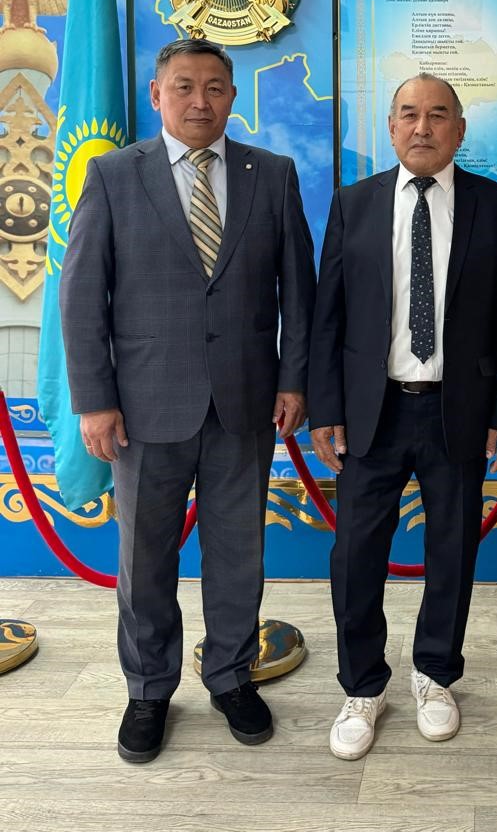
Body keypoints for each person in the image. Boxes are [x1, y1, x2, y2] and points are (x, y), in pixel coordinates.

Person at [59, 39, 316, 763]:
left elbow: (298, 292)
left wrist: (293, 379)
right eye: (183, 86)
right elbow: (81, 295)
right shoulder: (113, 175)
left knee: (239, 555)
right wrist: (95, 399)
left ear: (231, 97)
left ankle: (231, 677)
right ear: (157, 95)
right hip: (142, 409)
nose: (199, 101)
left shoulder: (272, 174)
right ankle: (148, 690)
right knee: (144, 561)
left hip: (245, 402)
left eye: (213, 87)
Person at [310, 73, 497, 761]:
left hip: (458, 411)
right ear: (391, 126)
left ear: (460, 130)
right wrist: (326, 407)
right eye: (408, 114)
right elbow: (328, 313)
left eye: (437, 115)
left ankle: (435, 674)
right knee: (355, 556)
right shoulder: (355, 203)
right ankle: (362, 686)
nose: (421, 127)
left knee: (453, 552)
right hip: (371, 412)